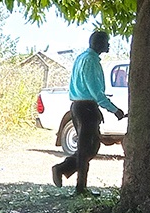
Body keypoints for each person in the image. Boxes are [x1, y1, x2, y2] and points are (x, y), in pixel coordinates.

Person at [51, 31, 125, 196]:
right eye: (106, 42)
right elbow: (96, 92)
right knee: (87, 149)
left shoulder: (81, 57)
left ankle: (67, 173)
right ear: (98, 44)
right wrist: (114, 110)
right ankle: (76, 184)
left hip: (78, 106)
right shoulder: (90, 61)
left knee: (90, 148)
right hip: (86, 108)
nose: (108, 45)